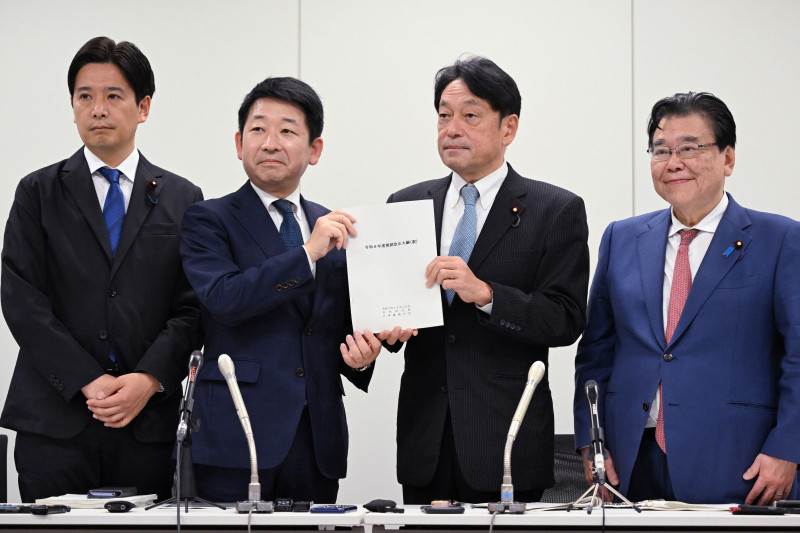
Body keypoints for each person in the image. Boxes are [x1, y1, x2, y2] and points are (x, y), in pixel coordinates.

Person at [0, 36, 203, 501]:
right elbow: (22, 300)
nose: (97, 110)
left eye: (113, 96)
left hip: (148, 425)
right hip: (55, 423)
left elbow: (192, 308)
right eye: (84, 96)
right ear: (72, 106)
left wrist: (148, 379)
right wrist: (87, 380)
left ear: (143, 107)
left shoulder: (183, 198)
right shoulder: (37, 192)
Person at [573, 92, 800, 504]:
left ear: (728, 158)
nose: (673, 162)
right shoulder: (621, 238)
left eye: (690, 148)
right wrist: (593, 441)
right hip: (631, 459)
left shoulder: (780, 239)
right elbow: (596, 353)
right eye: (661, 150)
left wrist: (788, 447)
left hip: (740, 459)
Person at [385, 56, 590, 504]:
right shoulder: (405, 204)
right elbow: (394, 312)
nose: (452, 129)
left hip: (507, 440)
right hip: (426, 441)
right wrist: (384, 332)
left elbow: (565, 319)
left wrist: (487, 295)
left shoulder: (555, 209)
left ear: (508, 128)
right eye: (444, 116)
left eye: (470, 116)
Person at [180, 77, 388, 503]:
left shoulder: (335, 226)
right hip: (236, 435)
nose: (270, 143)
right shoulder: (208, 219)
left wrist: (362, 356)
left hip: (315, 438)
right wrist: (307, 254)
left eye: (288, 130)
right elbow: (225, 299)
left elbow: (330, 328)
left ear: (315, 150)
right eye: (258, 129)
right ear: (239, 143)